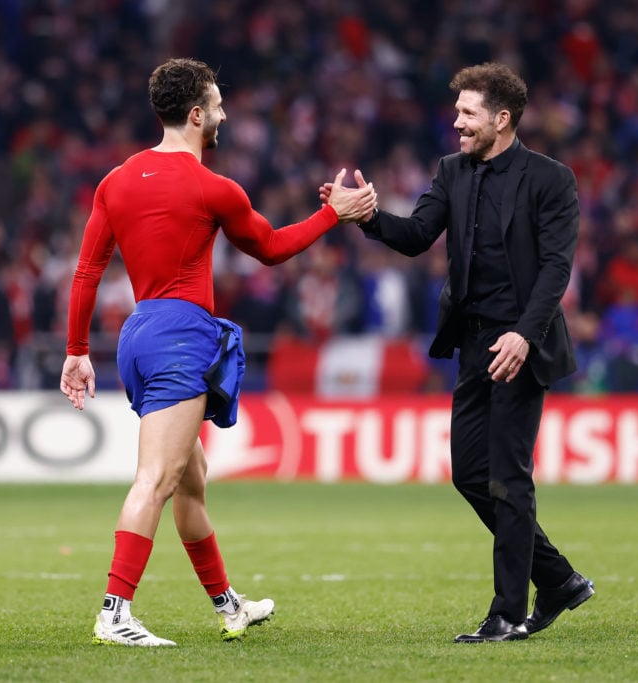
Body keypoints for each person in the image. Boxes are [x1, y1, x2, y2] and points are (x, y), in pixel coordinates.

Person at [60, 57, 376, 648]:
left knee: (189, 482)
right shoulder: (214, 187)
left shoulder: (116, 181)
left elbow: (86, 271)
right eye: (219, 103)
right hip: (182, 335)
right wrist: (335, 213)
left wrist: (78, 350)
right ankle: (114, 612)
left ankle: (229, 605)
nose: (226, 113)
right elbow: (273, 249)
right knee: (156, 478)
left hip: (139, 334)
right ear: (198, 114)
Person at [325, 63, 593, 642]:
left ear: (502, 119)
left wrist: (524, 332)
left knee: (509, 479)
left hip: (521, 343)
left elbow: (556, 268)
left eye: (468, 113)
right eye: (458, 112)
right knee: (471, 474)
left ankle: (508, 613)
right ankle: (560, 580)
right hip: (473, 343)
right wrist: (368, 216)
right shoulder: (452, 171)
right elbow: (419, 235)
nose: (457, 122)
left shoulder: (552, 180)